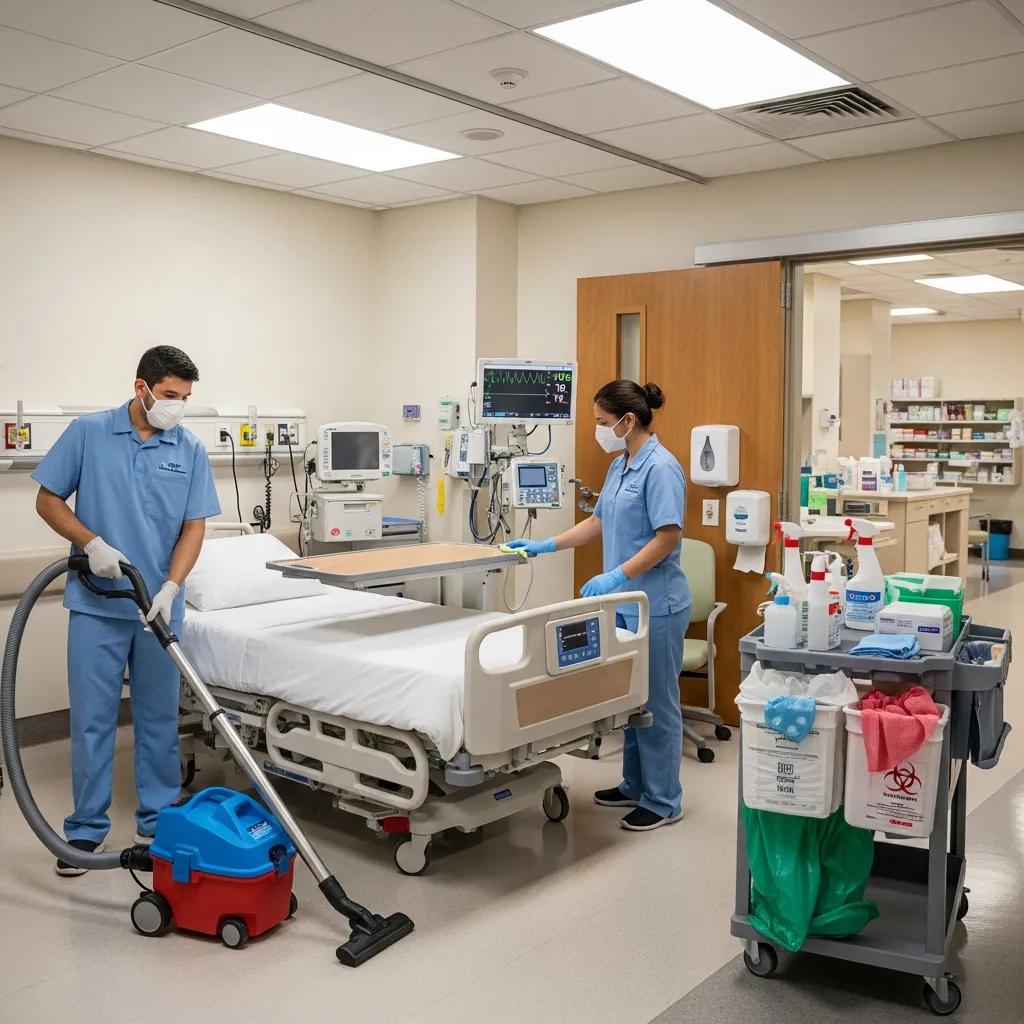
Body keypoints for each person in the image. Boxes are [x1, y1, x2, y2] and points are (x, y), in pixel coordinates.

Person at [33, 346, 221, 874]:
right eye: (168, 396)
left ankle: (158, 823)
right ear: (141, 387)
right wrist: (90, 542)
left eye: (184, 399)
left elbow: (194, 526)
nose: (176, 408)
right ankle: (85, 833)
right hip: (97, 604)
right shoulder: (90, 433)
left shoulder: (188, 449)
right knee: (93, 723)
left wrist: (171, 585)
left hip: (158, 607)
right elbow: (47, 500)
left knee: (159, 719)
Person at [508, 380, 689, 831]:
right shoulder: (620, 466)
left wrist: (617, 575)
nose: (599, 430)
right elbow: (597, 521)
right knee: (631, 697)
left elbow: (668, 537)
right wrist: (545, 545)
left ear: (629, 420)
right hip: (624, 603)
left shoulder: (661, 468)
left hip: (656, 603)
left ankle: (664, 801)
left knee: (658, 703)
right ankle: (633, 785)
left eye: (603, 423)